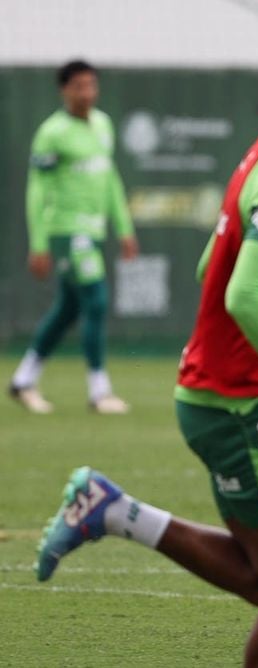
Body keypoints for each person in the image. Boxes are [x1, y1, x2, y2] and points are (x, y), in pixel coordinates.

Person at [35, 10, 258, 668]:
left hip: (215, 399)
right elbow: (244, 294)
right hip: (242, 404)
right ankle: (109, 509)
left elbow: (212, 275)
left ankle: (112, 509)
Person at [9, 60, 138, 415]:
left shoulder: (102, 125)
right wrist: (38, 243)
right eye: (79, 86)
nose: (87, 93)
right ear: (64, 90)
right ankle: (100, 391)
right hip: (66, 230)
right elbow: (37, 188)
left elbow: (109, 179)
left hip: (94, 230)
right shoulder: (52, 133)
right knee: (95, 299)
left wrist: (123, 228)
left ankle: (23, 381)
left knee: (67, 310)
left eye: (91, 85)